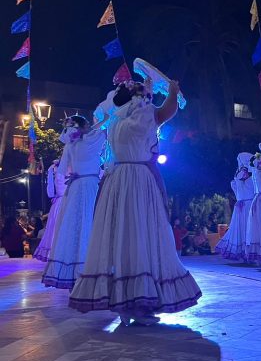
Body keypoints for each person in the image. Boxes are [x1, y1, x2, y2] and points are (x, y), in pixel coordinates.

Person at [69, 77, 202, 324]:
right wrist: (172, 90)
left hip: (117, 181)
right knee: (142, 236)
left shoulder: (116, 119)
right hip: (138, 181)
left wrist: (150, 91)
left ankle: (124, 303)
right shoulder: (142, 115)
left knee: (122, 238)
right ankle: (139, 304)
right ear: (137, 98)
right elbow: (166, 112)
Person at [42, 114, 107, 289]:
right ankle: (93, 269)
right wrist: (102, 120)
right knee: (92, 224)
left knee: (74, 227)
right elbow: (103, 130)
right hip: (91, 185)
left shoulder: (71, 145)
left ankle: (74, 272)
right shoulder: (94, 141)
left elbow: (63, 170)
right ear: (85, 125)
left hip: (76, 186)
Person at [215, 153, 255, 261]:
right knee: (241, 229)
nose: (244, 172)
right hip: (242, 206)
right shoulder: (238, 177)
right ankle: (243, 252)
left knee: (249, 229)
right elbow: (238, 181)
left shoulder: (251, 178)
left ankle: (250, 252)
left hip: (249, 206)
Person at [33, 158, 67, 261]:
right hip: (69, 200)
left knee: (56, 227)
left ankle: (56, 253)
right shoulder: (74, 165)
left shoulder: (52, 168)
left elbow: (50, 192)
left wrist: (54, 196)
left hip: (58, 201)